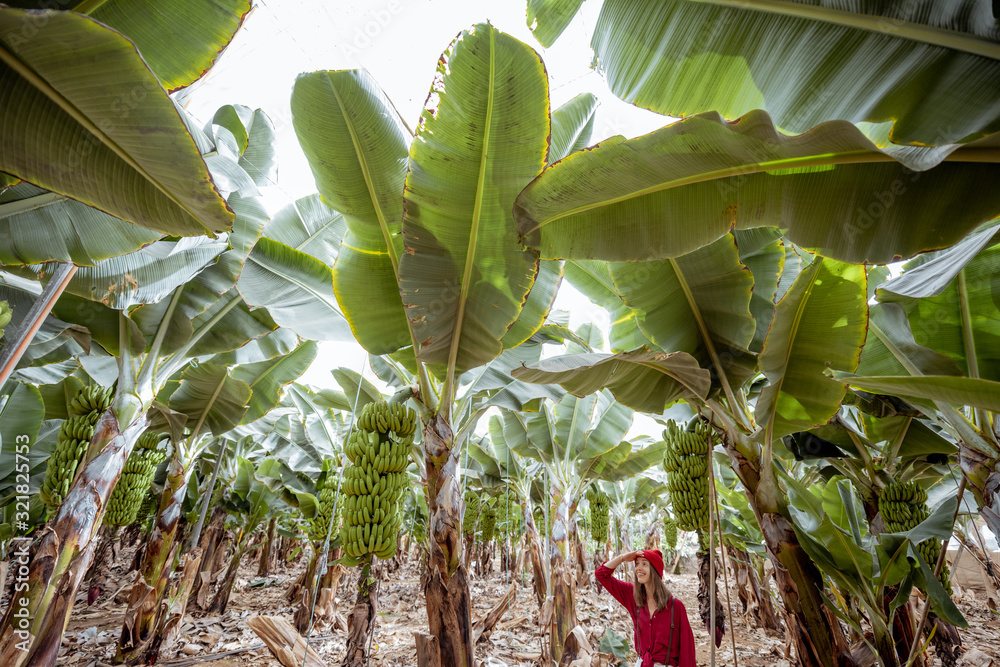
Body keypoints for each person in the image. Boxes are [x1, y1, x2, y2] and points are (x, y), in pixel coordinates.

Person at [595, 549, 696, 667]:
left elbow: (687, 651)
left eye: (644, 564)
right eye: (637, 564)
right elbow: (601, 574)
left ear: (654, 570)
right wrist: (622, 558)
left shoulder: (675, 607)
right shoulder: (633, 597)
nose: (638, 568)